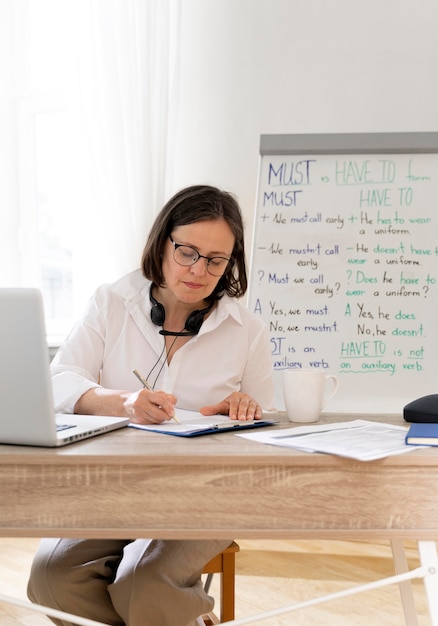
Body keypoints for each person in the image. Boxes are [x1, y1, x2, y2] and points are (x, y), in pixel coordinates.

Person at [27, 184, 275, 626]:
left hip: (208, 493)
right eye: (187, 252)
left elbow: (267, 421)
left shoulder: (247, 329)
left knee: (146, 581)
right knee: (51, 579)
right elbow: (58, 381)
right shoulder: (110, 303)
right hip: (113, 488)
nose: (199, 270)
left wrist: (244, 408)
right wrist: (123, 402)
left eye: (216, 260)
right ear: (162, 243)